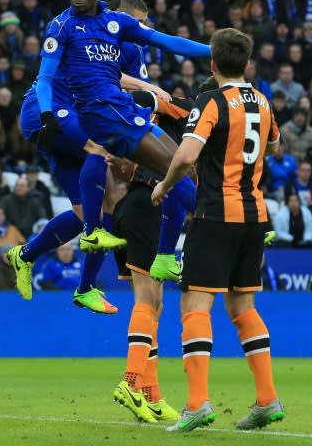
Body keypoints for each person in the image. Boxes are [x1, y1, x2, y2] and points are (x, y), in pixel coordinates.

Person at [35, 0, 209, 285]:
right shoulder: (61, 26)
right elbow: (45, 77)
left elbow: (168, 42)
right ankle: (218, 224)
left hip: (125, 111)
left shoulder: (118, 26)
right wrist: (46, 114)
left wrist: (214, 51)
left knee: (188, 165)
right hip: (102, 115)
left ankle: (164, 253)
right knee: (171, 167)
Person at [150, 28, 284, 432]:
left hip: (215, 214)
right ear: (246, 63)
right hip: (254, 215)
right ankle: (267, 399)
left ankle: (196, 404)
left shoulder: (211, 100)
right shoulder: (262, 101)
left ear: (212, 64)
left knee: (194, 305)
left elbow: (187, 153)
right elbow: (273, 144)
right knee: (243, 307)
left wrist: (164, 185)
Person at [108, 76, 213, 424]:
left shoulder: (198, 131)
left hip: (135, 207)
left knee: (153, 302)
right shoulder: (189, 109)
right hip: (146, 206)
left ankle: (150, 395)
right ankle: (131, 382)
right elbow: (147, 99)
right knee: (147, 302)